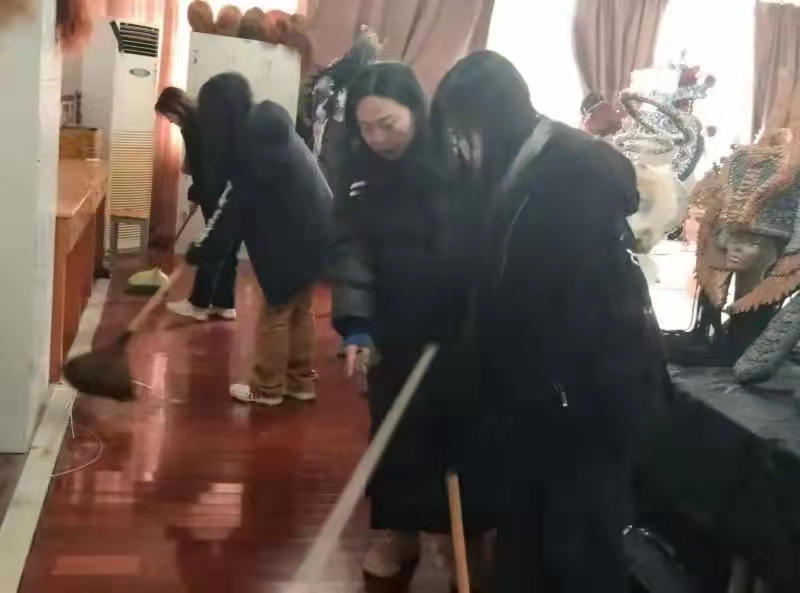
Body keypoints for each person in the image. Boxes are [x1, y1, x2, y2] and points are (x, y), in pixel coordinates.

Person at [431, 51, 672, 593]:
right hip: (543, 402)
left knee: (577, 552)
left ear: (488, 120)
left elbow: (560, 306)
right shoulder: (521, 165)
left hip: (584, 404)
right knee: (530, 544)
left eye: (462, 132)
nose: (459, 148)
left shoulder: (571, 174)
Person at [329, 62, 475, 580]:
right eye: (365, 127)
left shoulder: (458, 161)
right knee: (395, 436)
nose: (376, 138)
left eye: (387, 124)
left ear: (416, 110)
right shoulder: (360, 173)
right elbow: (352, 250)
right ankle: (400, 533)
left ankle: (462, 539)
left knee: (457, 437)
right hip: (394, 328)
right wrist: (356, 322)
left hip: (458, 330)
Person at [184, 72, 332, 407]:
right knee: (299, 309)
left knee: (276, 312)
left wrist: (208, 248)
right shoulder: (264, 123)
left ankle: (267, 388)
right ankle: (299, 383)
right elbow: (237, 199)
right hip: (319, 229)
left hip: (293, 237)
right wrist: (210, 244)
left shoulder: (254, 142)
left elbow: (236, 206)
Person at [155, 86, 239, 322]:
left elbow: (205, 169)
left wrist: (196, 194)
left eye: (168, 116)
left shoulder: (193, 127)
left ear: (176, 109)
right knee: (228, 251)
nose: (170, 122)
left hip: (219, 193)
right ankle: (224, 304)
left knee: (212, 247)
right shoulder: (208, 118)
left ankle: (198, 305)